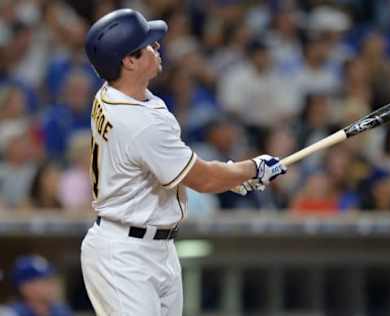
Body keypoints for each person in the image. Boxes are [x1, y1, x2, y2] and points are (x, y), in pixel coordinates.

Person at [81, 9, 286, 316]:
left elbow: (177, 167)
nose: (158, 46)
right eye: (148, 45)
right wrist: (251, 168)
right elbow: (202, 179)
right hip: (124, 253)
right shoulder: (138, 121)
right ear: (129, 61)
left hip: (154, 245)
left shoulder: (121, 95)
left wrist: (232, 175)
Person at [4, 255, 72, 316]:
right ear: (26, 287)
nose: (52, 286)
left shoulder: (62, 311)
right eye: (45, 281)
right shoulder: (10, 313)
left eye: (53, 281)